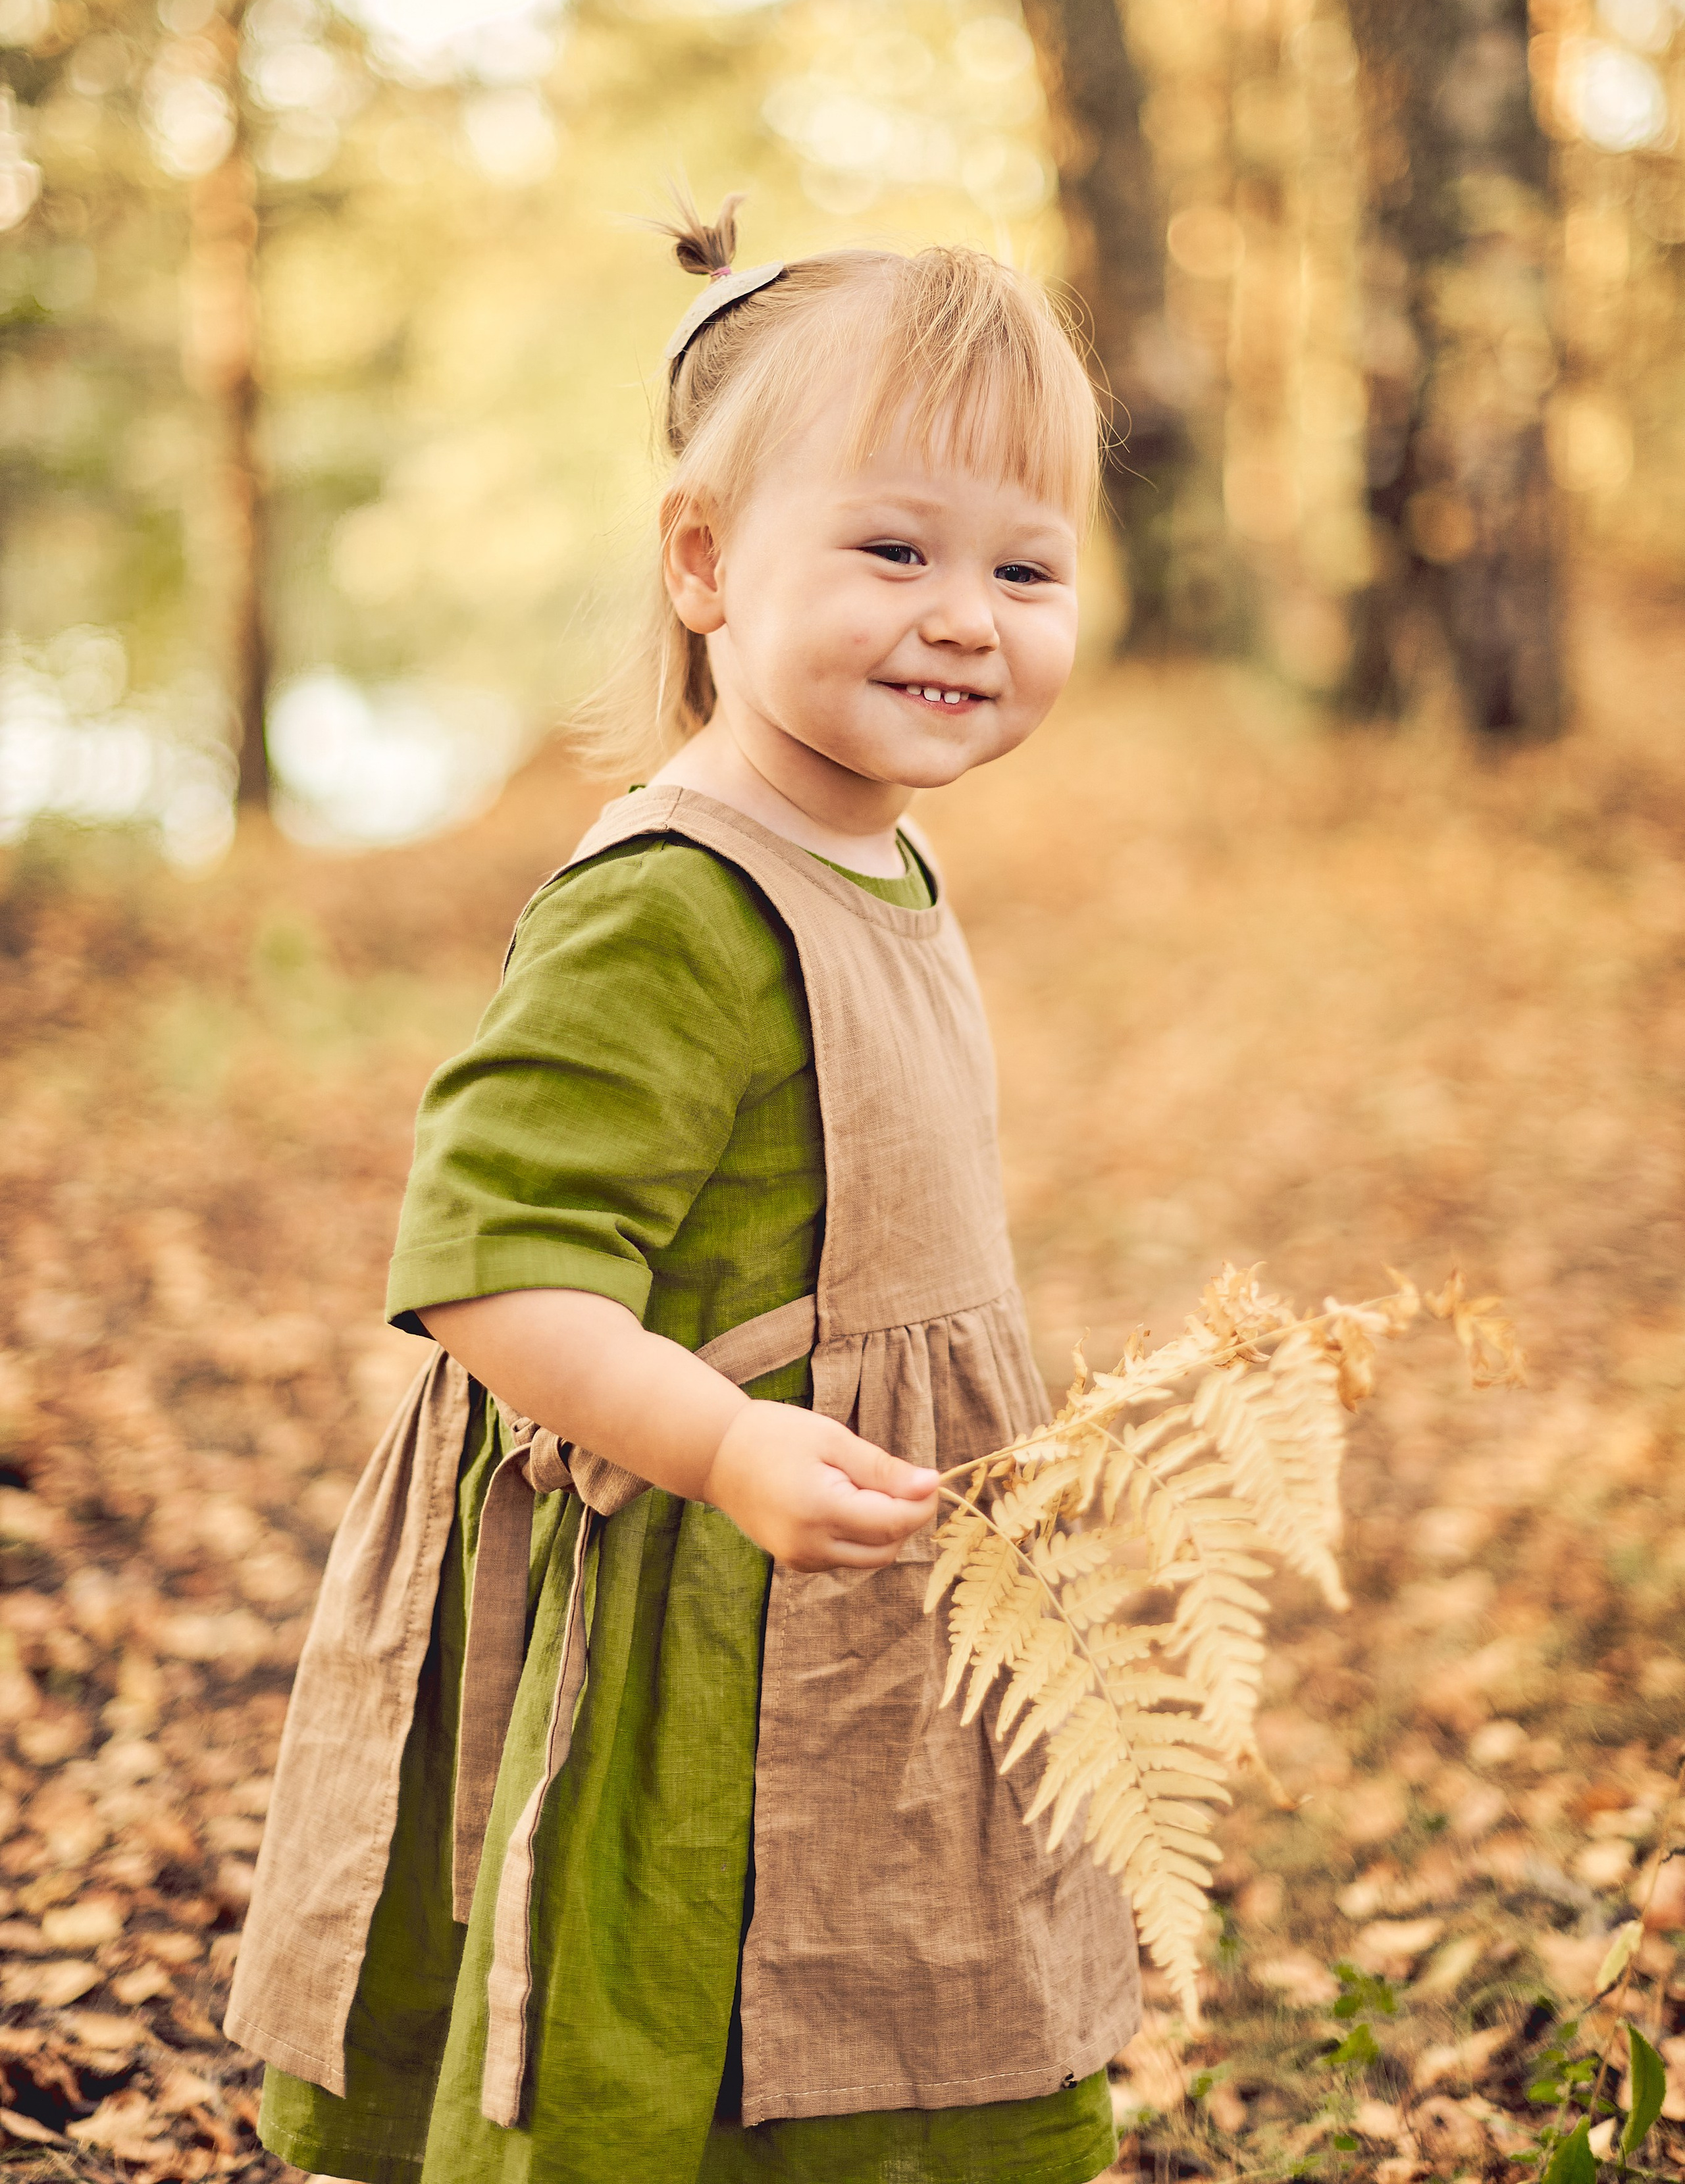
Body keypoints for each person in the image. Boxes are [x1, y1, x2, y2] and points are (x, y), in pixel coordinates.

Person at [227, 196, 1142, 2184]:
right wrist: (722, 1448)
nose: (966, 614)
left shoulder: (878, 854)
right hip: (683, 1608)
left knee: (893, 1980)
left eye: (1026, 564)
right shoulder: (672, 899)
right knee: (683, 2024)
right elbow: (492, 1272)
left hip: (862, 1572)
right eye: (894, 548)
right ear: (709, 564)